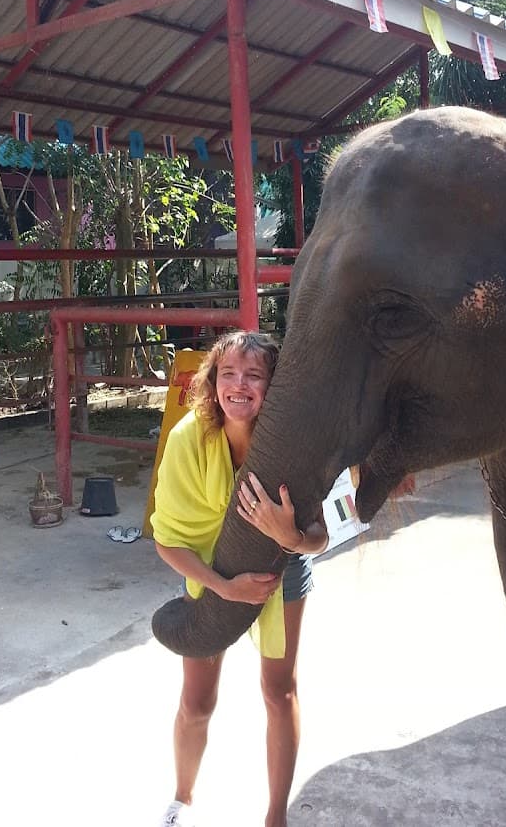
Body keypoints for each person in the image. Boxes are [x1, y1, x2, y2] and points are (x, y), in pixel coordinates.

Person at [151, 330, 329, 827]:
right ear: (213, 382)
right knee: (197, 700)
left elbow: (319, 536)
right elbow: (167, 540)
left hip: (281, 566)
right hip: (208, 571)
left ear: (274, 386)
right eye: (228, 373)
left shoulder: (293, 446)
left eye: (254, 375)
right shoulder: (188, 439)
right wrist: (224, 587)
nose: (239, 385)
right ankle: (181, 799)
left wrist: (290, 536)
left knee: (279, 692)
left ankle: (276, 816)